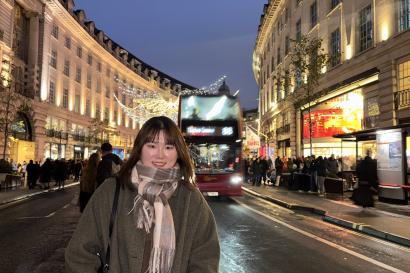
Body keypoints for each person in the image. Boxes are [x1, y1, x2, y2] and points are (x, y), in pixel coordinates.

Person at [65, 116, 220, 273]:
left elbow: (205, 259)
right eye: (152, 145)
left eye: (168, 147)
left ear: (178, 152)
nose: (160, 155)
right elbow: (80, 254)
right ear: (139, 149)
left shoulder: (191, 199)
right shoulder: (111, 191)